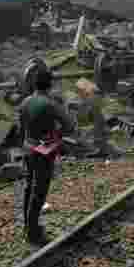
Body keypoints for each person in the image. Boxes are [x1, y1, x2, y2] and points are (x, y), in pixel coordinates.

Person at [20, 68, 78, 245]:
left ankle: (28, 225)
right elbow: (70, 126)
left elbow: (21, 127)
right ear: (50, 84)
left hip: (27, 147)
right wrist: (56, 132)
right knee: (40, 190)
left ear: (33, 83)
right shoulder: (50, 104)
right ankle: (33, 232)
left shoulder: (25, 102)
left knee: (29, 187)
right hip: (43, 151)